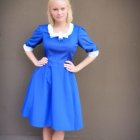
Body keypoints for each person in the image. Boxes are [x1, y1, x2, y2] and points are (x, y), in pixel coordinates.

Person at [21, 0, 99, 140]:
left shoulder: (77, 31)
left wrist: (77, 67)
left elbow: (94, 52)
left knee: (61, 118)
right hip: (44, 76)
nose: (59, 12)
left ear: (68, 9)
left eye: (62, 8)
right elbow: (27, 47)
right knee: (46, 116)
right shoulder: (43, 30)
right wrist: (36, 61)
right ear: (50, 11)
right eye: (55, 9)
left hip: (64, 77)